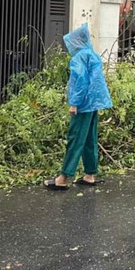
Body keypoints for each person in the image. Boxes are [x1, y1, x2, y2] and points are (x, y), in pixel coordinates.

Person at [44, 23, 113, 191]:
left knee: (75, 139)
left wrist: (74, 102)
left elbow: (80, 80)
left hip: (83, 104)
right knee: (90, 139)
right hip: (93, 104)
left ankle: (63, 178)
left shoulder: (79, 57)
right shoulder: (92, 55)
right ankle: (90, 175)